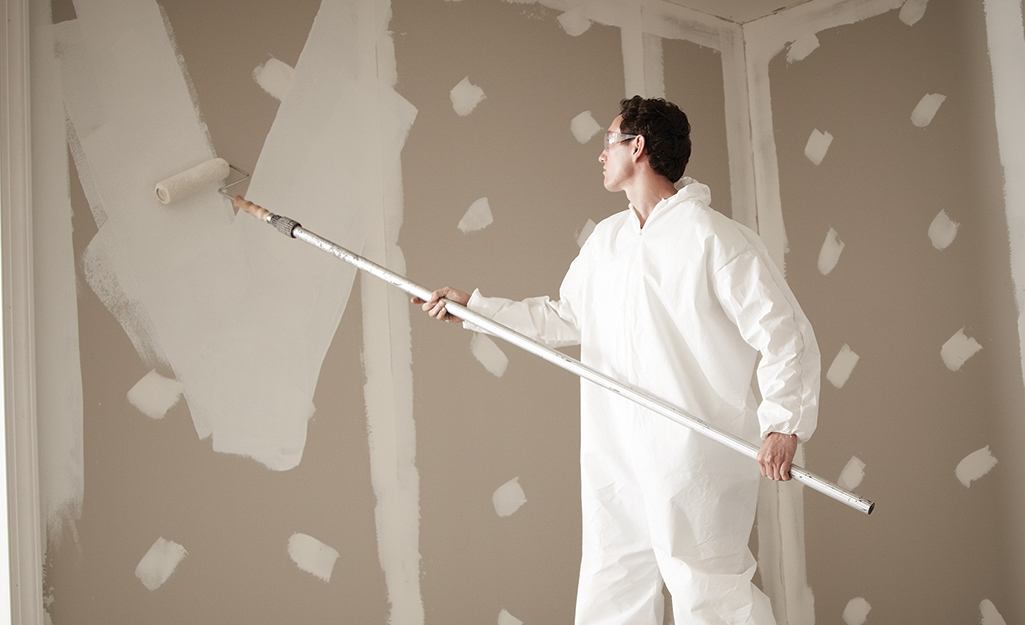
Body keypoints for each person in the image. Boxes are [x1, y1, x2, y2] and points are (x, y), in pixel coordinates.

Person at [414, 96, 820, 625]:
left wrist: (783, 424)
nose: (600, 155)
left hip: (692, 450)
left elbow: (783, 332)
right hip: (614, 446)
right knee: (612, 586)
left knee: (709, 591)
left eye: (608, 142)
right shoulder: (607, 241)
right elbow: (566, 318)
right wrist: (479, 311)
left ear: (639, 146)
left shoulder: (714, 239)